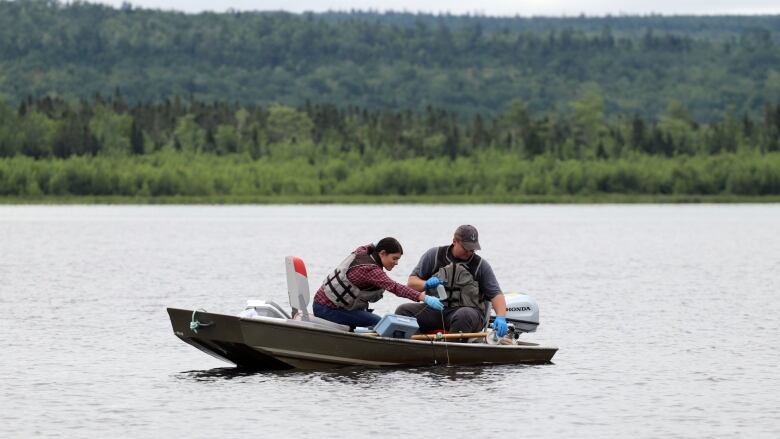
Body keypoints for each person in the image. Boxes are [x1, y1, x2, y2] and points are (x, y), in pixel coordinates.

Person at [395, 225, 508, 337]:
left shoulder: (481, 266)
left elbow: (496, 294)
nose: (469, 252)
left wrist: (501, 316)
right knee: (403, 311)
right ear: (454, 241)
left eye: (472, 249)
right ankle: (413, 345)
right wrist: (426, 284)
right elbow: (411, 284)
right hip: (435, 310)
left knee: (463, 315)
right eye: (466, 248)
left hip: (468, 313)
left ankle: (452, 349)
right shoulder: (434, 256)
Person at [313, 237, 443, 328]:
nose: (396, 263)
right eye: (394, 258)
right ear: (382, 253)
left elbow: (371, 245)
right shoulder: (371, 270)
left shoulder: (363, 251)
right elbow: (395, 287)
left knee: (371, 319)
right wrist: (425, 297)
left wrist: (425, 285)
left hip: (324, 304)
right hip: (327, 309)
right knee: (378, 322)